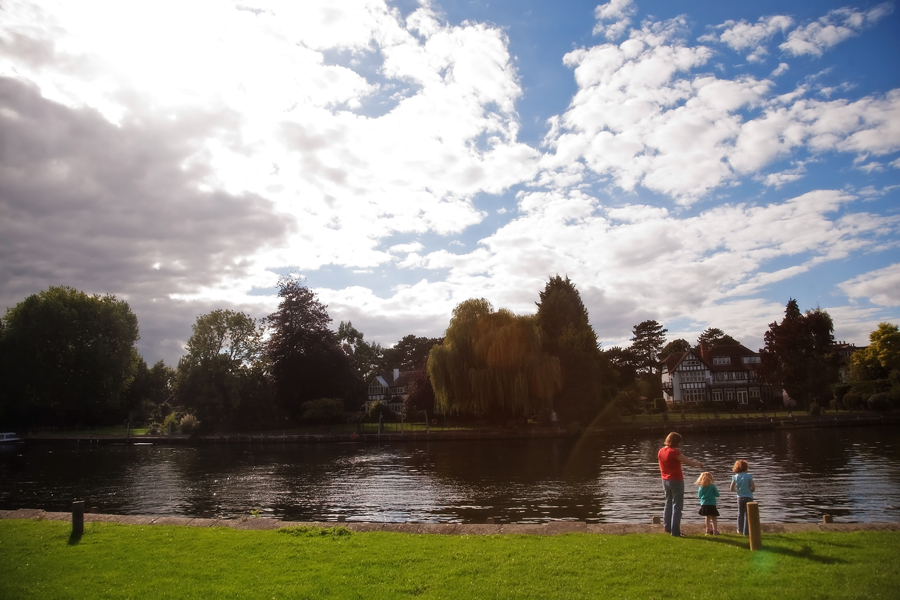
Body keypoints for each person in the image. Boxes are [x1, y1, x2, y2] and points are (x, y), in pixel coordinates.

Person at [657, 432, 704, 537]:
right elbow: (687, 461)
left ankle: (667, 526)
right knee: (677, 506)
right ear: (676, 442)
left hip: (665, 480)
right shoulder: (674, 452)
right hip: (676, 480)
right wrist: (698, 464)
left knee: (668, 503)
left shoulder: (661, 451)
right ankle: (675, 532)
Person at [730, 459, 755, 536]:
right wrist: (751, 490)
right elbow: (753, 487)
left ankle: (739, 529)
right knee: (748, 514)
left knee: (740, 513)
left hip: (740, 497)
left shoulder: (735, 477)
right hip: (749, 497)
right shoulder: (749, 476)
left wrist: (737, 491)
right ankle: (746, 531)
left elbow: (731, 488)